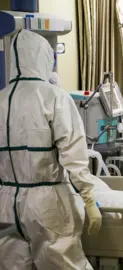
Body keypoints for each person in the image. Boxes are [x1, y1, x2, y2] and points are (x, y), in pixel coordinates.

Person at [0, 30, 101, 269]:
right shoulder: (54, 97)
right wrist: (89, 199)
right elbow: (74, 157)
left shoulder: (1, 100)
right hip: (47, 204)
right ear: (43, 58)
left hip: (5, 203)